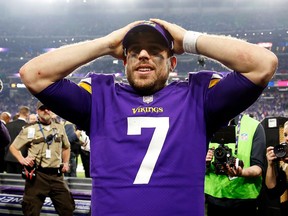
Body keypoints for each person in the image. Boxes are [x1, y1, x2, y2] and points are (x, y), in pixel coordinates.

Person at [19, 19, 277, 215]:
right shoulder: (100, 97)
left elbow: (263, 64)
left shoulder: (198, 97)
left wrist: (187, 38)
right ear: (124, 61)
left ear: (172, 63)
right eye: (134, 51)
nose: (143, 55)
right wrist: (107, 44)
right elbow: (34, 74)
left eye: (155, 50)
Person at [9, 101, 75, 215]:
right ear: (37, 111)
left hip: (57, 176)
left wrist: (65, 163)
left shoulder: (59, 127)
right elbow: (14, 147)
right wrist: (22, 159)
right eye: (42, 108)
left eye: (49, 108)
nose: (46, 110)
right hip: (37, 176)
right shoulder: (29, 129)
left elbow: (66, 147)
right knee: (31, 211)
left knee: (67, 209)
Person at [205, 113, 266, 216]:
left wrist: (242, 172)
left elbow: (258, 168)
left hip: (244, 201)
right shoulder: (208, 126)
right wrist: (204, 162)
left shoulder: (254, 126)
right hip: (213, 199)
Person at [265, 121, 288, 216]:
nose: (287, 138)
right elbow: (272, 193)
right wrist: (270, 165)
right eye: (285, 135)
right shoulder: (285, 165)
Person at [5, 106, 30, 173]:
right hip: (22, 158)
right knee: (20, 181)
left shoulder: (8, 125)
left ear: (19, 113)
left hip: (9, 156)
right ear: (27, 114)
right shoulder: (28, 126)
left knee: (8, 181)